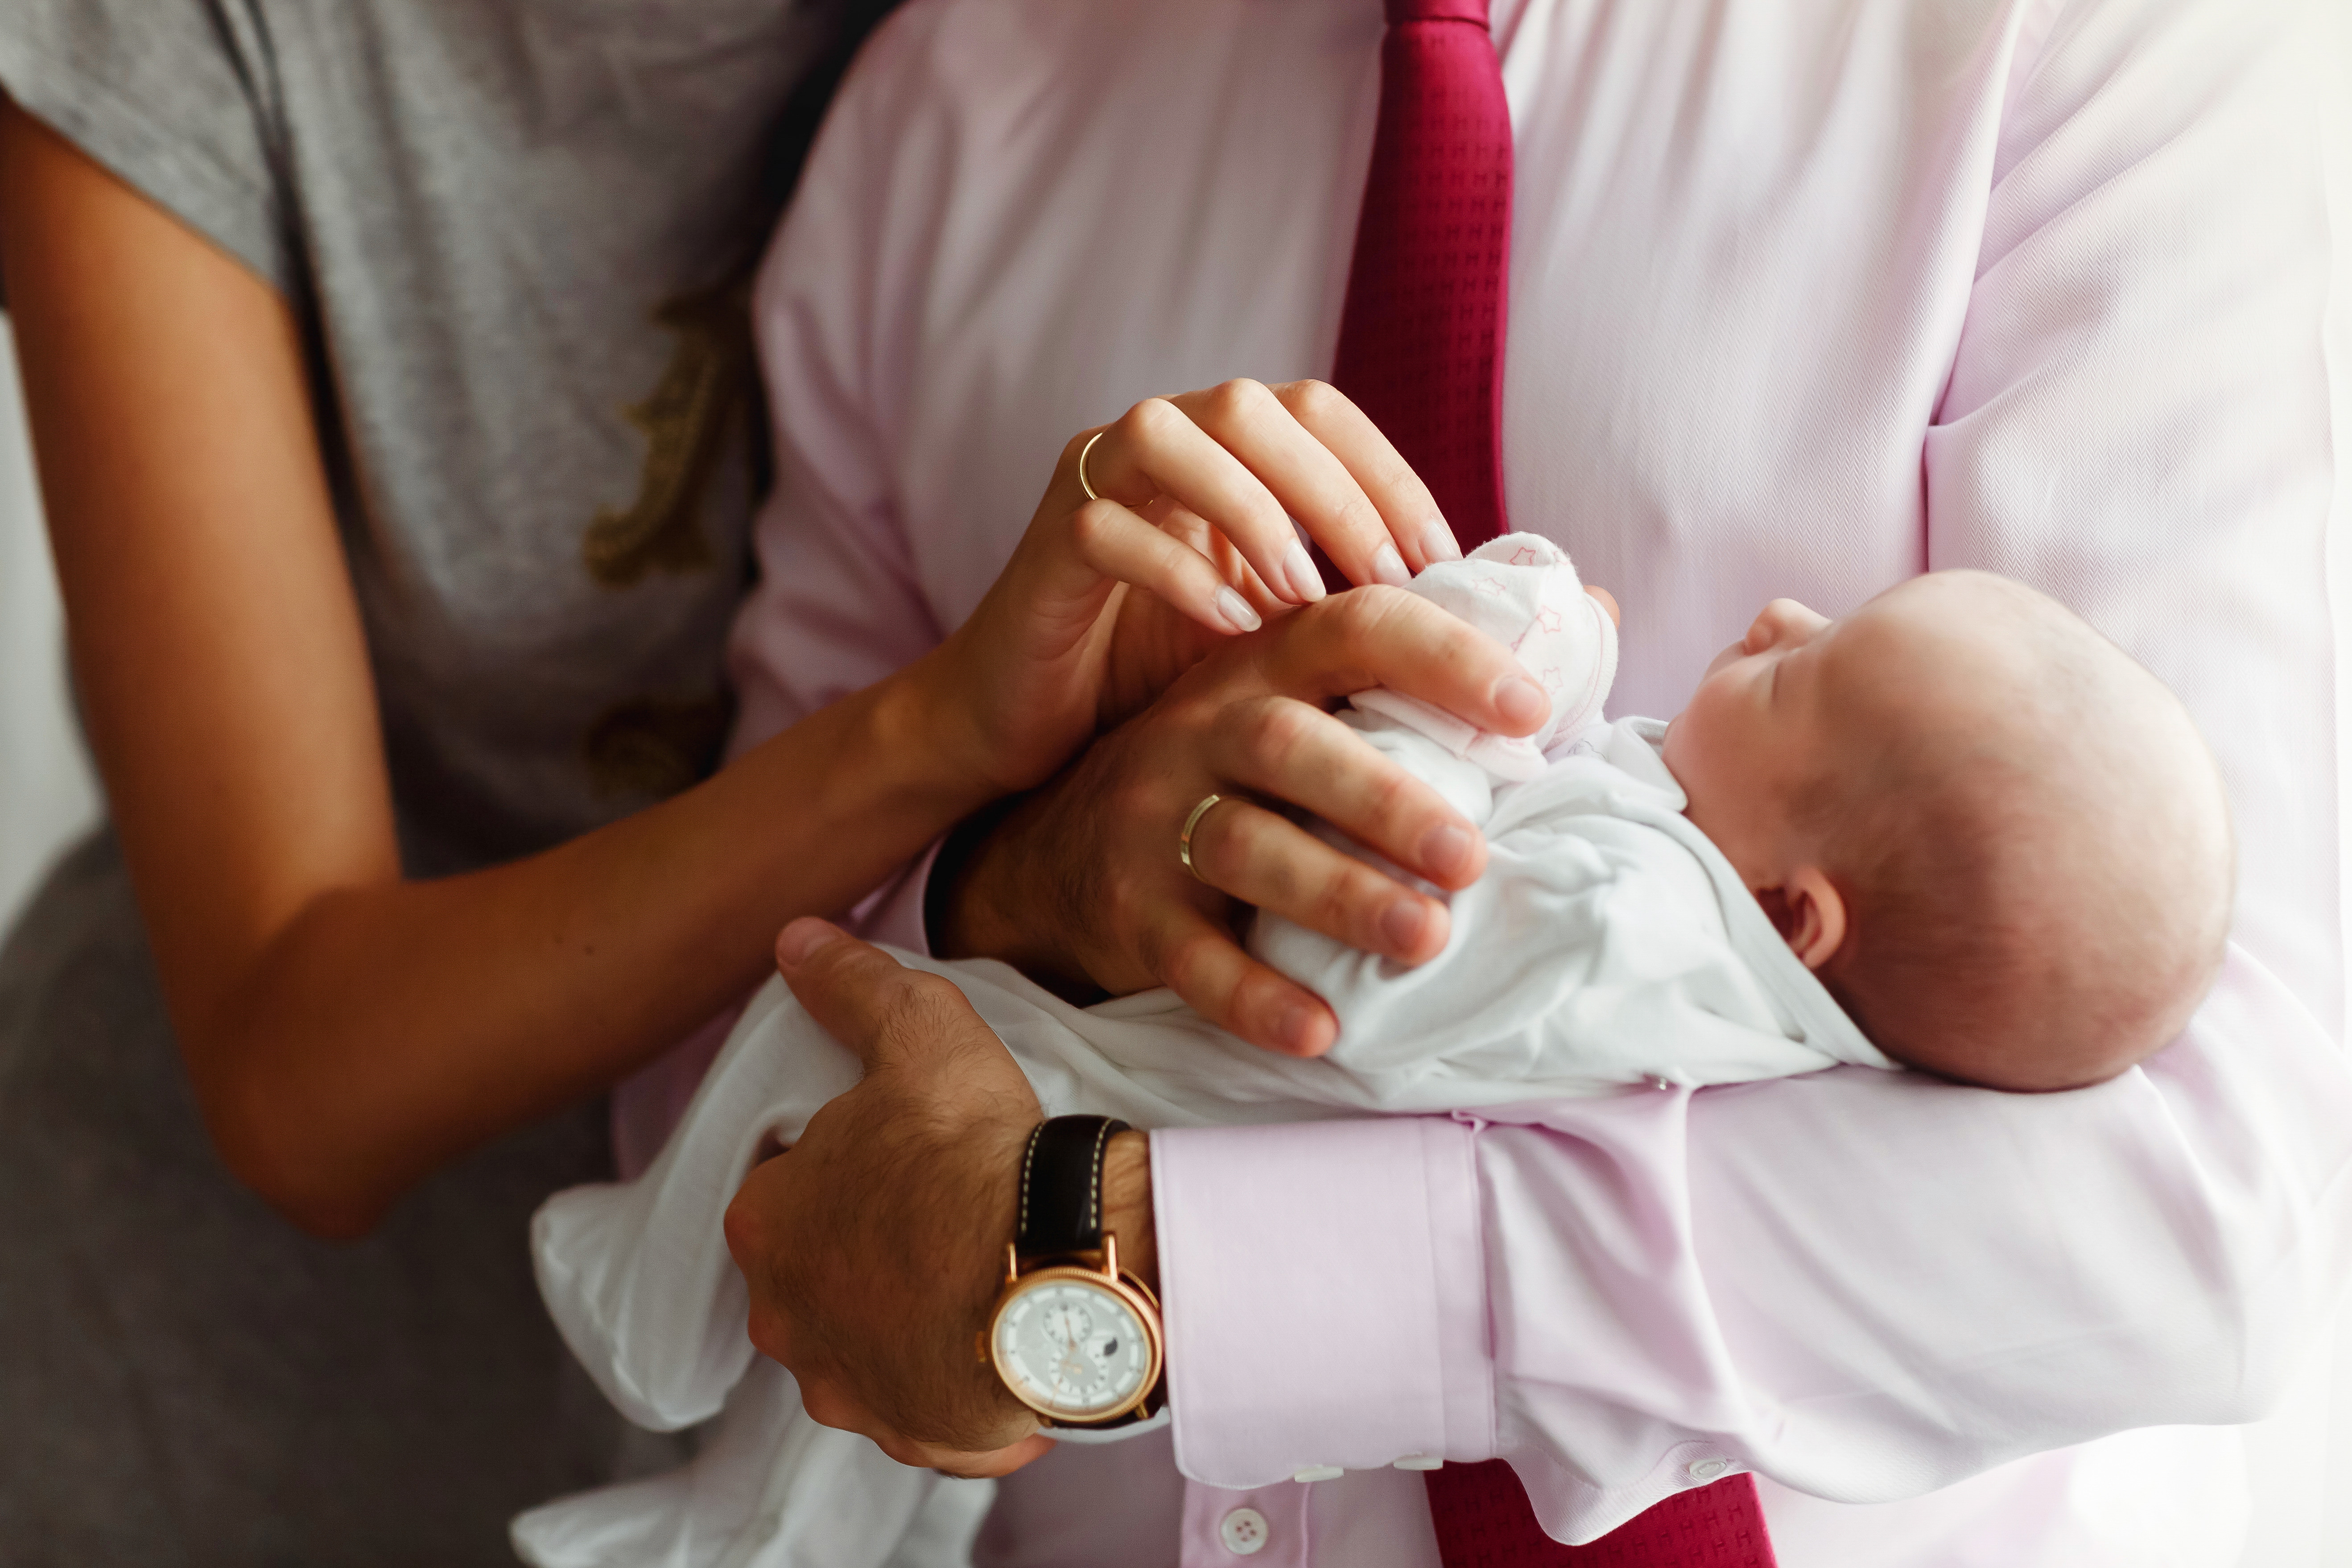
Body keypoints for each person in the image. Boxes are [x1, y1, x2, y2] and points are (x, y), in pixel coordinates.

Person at [705, 0, 2352, 1561]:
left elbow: (2196, 1208)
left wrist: (1147, 1260)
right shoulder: (938, 124)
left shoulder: (2109, 47)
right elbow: (715, 1117)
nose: (1777, 630)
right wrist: (1018, 890)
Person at [0, 5, 1543, 1560]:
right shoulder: (202, 43)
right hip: (273, 1377)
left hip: (868, 1366)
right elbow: (299, 1087)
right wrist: (943, 730)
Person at [525, 561, 2236, 1568]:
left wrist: (1459, 699)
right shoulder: (1711, 944)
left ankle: (643, 1302)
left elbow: (1378, 963)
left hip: (1126, 1094)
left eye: (1802, 671)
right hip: (1113, 1089)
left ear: (1799, 915)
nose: (1776, 605)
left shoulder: (1643, 915)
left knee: (813, 1053)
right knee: (872, 1366)